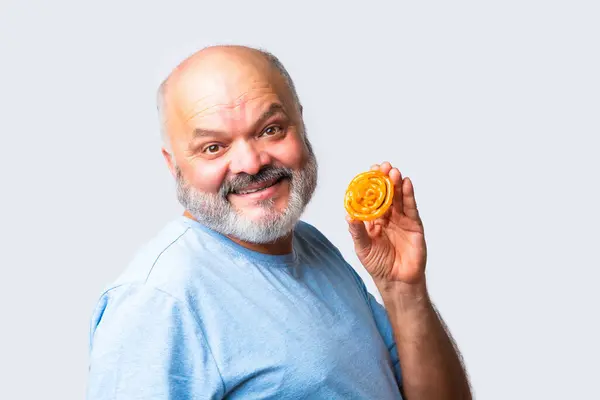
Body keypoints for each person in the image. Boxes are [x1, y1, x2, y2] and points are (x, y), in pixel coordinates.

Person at [86, 45, 472, 400]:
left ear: (300, 125)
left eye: (270, 130)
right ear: (174, 165)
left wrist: (403, 290)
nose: (252, 164)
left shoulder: (311, 246)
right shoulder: (158, 301)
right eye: (213, 147)